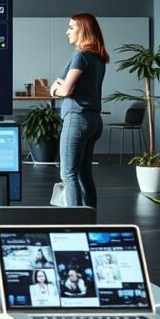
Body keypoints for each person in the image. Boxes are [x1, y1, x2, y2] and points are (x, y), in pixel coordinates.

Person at [50, 13, 108, 208]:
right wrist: (63, 84)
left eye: (71, 27)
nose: (67, 31)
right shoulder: (97, 59)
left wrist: (55, 90)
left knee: (68, 174)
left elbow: (65, 89)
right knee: (84, 175)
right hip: (94, 121)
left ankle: (74, 223)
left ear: (84, 29)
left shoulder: (81, 56)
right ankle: (89, 220)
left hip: (77, 119)